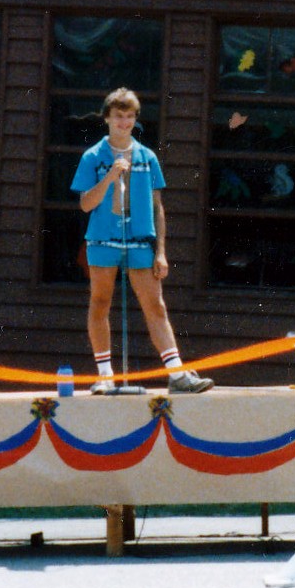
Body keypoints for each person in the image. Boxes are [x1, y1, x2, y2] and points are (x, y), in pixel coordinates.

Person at [73, 88, 212, 395]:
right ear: (107, 118)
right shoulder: (92, 156)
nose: (124, 123)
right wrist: (110, 176)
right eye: (118, 116)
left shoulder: (147, 157)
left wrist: (161, 251)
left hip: (140, 239)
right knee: (100, 302)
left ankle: (177, 374)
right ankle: (105, 375)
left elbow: (157, 207)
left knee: (155, 305)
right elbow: (85, 204)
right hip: (103, 238)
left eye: (129, 117)